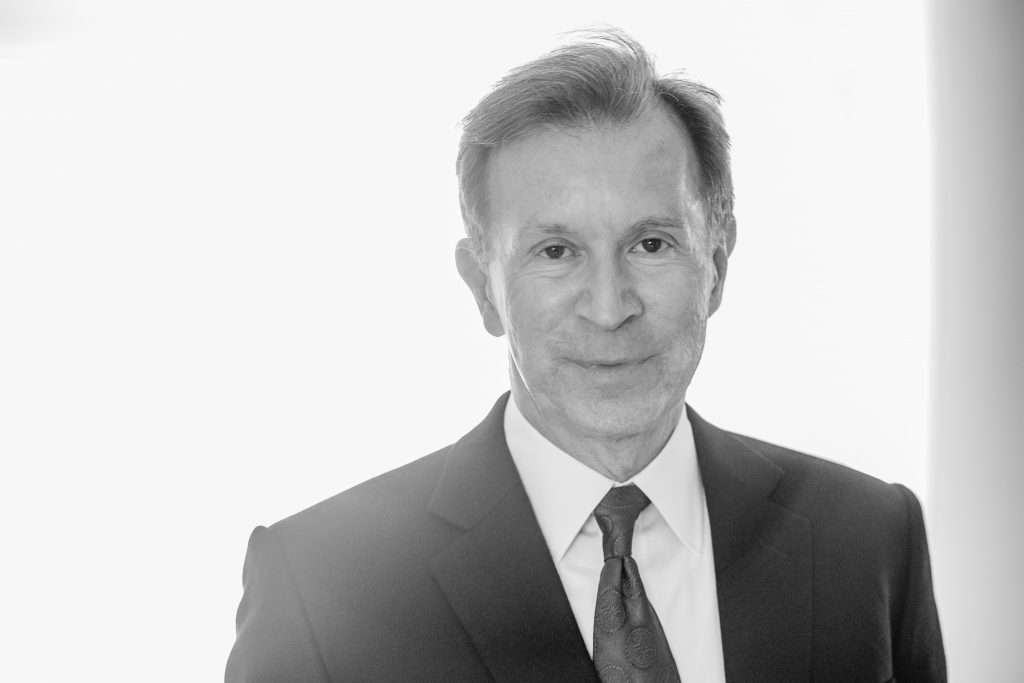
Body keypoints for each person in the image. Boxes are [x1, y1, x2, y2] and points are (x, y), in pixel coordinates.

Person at [226, 30, 945, 682]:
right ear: (483, 288)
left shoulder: (872, 543)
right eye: (556, 252)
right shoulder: (319, 589)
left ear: (717, 265)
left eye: (651, 244)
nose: (610, 306)